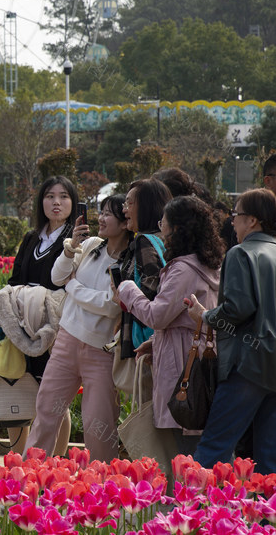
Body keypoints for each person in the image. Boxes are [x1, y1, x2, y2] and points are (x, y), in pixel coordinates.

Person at [189, 188, 276, 477]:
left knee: (214, 450)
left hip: (248, 364)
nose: (232, 222)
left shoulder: (241, 254)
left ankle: (197, 518)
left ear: (252, 220)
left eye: (236, 215)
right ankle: (270, 521)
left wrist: (204, 315)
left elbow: (237, 309)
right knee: (274, 461)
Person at [26, 195, 133, 462]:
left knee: (99, 423)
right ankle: (28, 476)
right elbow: (56, 277)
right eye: (102, 212)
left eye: (109, 214)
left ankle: (101, 487)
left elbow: (111, 306)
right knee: (47, 412)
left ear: (124, 224)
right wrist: (71, 247)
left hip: (102, 351)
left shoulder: (129, 261)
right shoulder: (92, 246)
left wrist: (73, 288)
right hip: (66, 342)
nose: (101, 218)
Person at [118, 195, 223, 457]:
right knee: (194, 440)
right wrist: (156, 342)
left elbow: (157, 316)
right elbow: (187, 318)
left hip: (181, 364)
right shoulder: (207, 264)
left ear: (176, 228)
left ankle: (189, 497)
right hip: (197, 356)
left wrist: (128, 290)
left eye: (163, 221)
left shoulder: (183, 270)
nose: (160, 226)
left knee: (185, 445)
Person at [1, 175, 79, 454]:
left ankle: (54, 463)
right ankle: (17, 461)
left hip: (56, 329)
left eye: (63, 196)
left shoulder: (77, 241)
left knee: (54, 398)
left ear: (74, 202)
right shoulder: (32, 238)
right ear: (41, 202)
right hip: (22, 328)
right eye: (49, 196)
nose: (56, 202)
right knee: (17, 387)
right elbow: (14, 280)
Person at [121, 179, 173, 352]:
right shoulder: (169, 238)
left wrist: (122, 295)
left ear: (146, 206)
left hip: (145, 339)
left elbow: (150, 287)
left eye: (129, 203)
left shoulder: (145, 241)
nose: (124, 209)